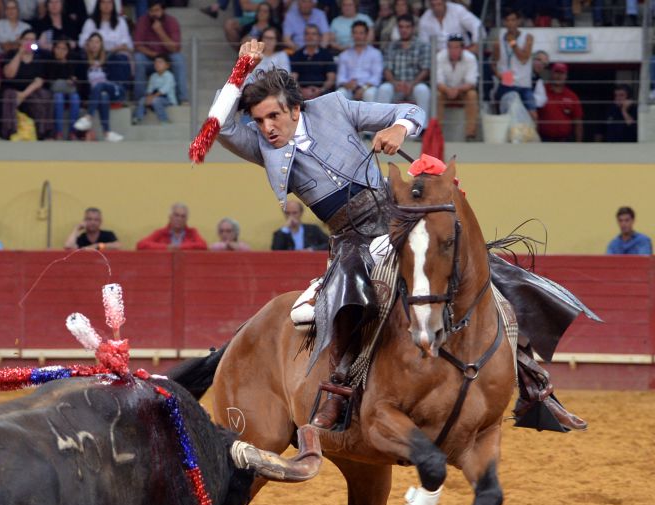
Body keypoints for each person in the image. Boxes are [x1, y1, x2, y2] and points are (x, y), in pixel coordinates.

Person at [215, 41, 588, 432]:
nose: (266, 128)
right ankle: (337, 390)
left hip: (397, 217)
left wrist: (397, 128)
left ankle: (535, 385)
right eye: (258, 120)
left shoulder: (334, 107)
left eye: (273, 116)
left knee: (490, 273)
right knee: (345, 292)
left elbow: (411, 111)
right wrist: (241, 69)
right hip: (349, 236)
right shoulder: (261, 147)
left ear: (294, 108)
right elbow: (219, 126)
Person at [1, 29, 52, 139]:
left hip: (29, 91)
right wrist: (20, 53)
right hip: (13, 90)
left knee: (44, 95)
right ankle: (10, 132)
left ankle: (42, 133)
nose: (29, 42)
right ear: (20, 41)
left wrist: (23, 95)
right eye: (26, 39)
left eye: (32, 40)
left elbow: (39, 81)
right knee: (9, 95)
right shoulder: (11, 54)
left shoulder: (39, 58)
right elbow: (9, 74)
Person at [133, 1, 185, 105]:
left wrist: (160, 31)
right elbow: (137, 45)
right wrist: (153, 54)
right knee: (138, 58)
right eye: (151, 11)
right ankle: (140, 99)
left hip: (167, 58)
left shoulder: (171, 21)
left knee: (178, 58)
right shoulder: (143, 21)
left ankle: (183, 98)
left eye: (157, 10)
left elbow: (175, 48)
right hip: (149, 57)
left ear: (163, 10)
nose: (154, 14)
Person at [75, 31, 123, 141]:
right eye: (92, 41)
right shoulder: (82, 60)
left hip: (112, 89)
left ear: (101, 44)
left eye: (97, 42)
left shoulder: (109, 58)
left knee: (101, 86)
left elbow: (114, 80)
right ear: (88, 44)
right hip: (95, 94)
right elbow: (82, 83)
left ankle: (88, 118)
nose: (94, 44)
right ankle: (107, 133)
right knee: (103, 95)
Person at [377, 14, 428, 115]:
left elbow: (425, 70)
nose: (404, 30)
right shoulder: (391, 46)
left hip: (415, 85)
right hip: (396, 86)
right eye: (401, 27)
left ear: (413, 28)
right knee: (384, 89)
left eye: (407, 27)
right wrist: (395, 83)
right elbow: (387, 69)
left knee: (423, 90)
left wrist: (412, 84)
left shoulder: (422, 46)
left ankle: (424, 128)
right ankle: (381, 126)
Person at [435, 33, 477, 141]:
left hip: (463, 91)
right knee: (437, 95)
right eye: (450, 47)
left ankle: (470, 134)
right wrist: (447, 90)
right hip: (445, 91)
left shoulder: (470, 58)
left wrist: (457, 90)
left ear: (462, 48)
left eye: (457, 47)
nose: (453, 50)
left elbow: (471, 82)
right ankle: (437, 133)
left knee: (472, 95)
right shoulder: (440, 56)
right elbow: (438, 81)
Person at [493, 9, 535, 118]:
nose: (510, 23)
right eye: (508, 20)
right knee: (507, 114)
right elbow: (493, 62)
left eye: (513, 20)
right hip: (508, 79)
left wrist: (512, 43)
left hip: (523, 82)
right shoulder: (499, 40)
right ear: (504, 22)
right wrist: (498, 74)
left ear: (519, 21)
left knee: (533, 115)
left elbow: (523, 59)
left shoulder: (527, 37)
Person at [335, 20, 380, 103]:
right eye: (355, 33)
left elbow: (376, 77)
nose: (358, 36)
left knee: (370, 93)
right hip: (349, 87)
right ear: (352, 35)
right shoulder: (344, 55)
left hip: (367, 87)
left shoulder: (375, 53)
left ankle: (370, 116)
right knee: (341, 93)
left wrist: (363, 88)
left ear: (366, 35)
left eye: (361, 33)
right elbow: (341, 77)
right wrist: (347, 85)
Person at [536, 62, 582, 143]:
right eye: (556, 72)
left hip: (565, 141)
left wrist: (579, 144)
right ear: (551, 74)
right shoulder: (541, 90)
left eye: (562, 73)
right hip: (544, 140)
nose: (559, 76)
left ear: (566, 76)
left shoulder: (572, 96)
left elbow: (578, 121)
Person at [136, 203, 207, 250]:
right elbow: (141, 245)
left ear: (186, 219)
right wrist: (166, 247)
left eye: (183, 216)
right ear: (170, 217)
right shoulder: (160, 232)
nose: (179, 219)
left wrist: (180, 247)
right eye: (176, 215)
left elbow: (203, 246)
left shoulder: (192, 232)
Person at [290, 25, 334, 100]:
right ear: (304, 37)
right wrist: (302, 91)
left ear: (319, 37)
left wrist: (320, 90)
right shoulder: (297, 55)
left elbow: (331, 79)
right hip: (301, 93)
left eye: (314, 34)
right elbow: (293, 78)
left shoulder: (327, 55)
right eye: (307, 34)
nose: (310, 37)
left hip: (323, 93)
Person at [132, 52, 175, 123]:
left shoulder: (169, 76)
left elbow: (164, 90)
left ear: (167, 65)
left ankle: (164, 119)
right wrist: (148, 97)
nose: (157, 64)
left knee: (156, 101)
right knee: (142, 100)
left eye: (160, 62)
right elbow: (150, 89)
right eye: (155, 63)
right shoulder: (153, 76)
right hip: (154, 97)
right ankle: (138, 117)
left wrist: (152, 97)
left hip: (167, 100)